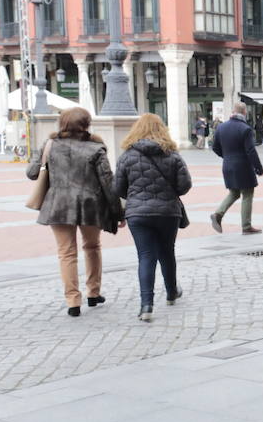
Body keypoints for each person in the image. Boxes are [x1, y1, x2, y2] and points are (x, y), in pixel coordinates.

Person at [25, 106, 122, 317]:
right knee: (92, 247)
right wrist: (118, 213)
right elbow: (108, 183)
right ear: (86, 125)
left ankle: (73, 300)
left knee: (66, 252)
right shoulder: (96, 148)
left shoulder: (50, 145)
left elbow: (32, 173)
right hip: (90, 205)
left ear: (62, 124)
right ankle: (93, 292)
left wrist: (41, 155)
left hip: (58, 205)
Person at [113, 113, 192, 322]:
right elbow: (185, 185)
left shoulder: (127, 155)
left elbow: (117, 187)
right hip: (168, 212)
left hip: (138, 213)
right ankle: (172, 291)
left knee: (146, 256)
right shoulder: (172, 155)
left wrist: (135, 195)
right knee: (167, 252)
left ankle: (146, 305)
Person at [209, 103, 263, 235]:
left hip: (227, 165)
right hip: (243, 166)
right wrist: (258, 167)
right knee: (247, 194)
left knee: (234, 193)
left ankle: (218, 214)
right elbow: (250, 150)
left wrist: (227, 157)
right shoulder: (245, 129)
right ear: (244, 112)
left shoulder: (221, 127)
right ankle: (246, 226)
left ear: (233, 111)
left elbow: (215, 147)